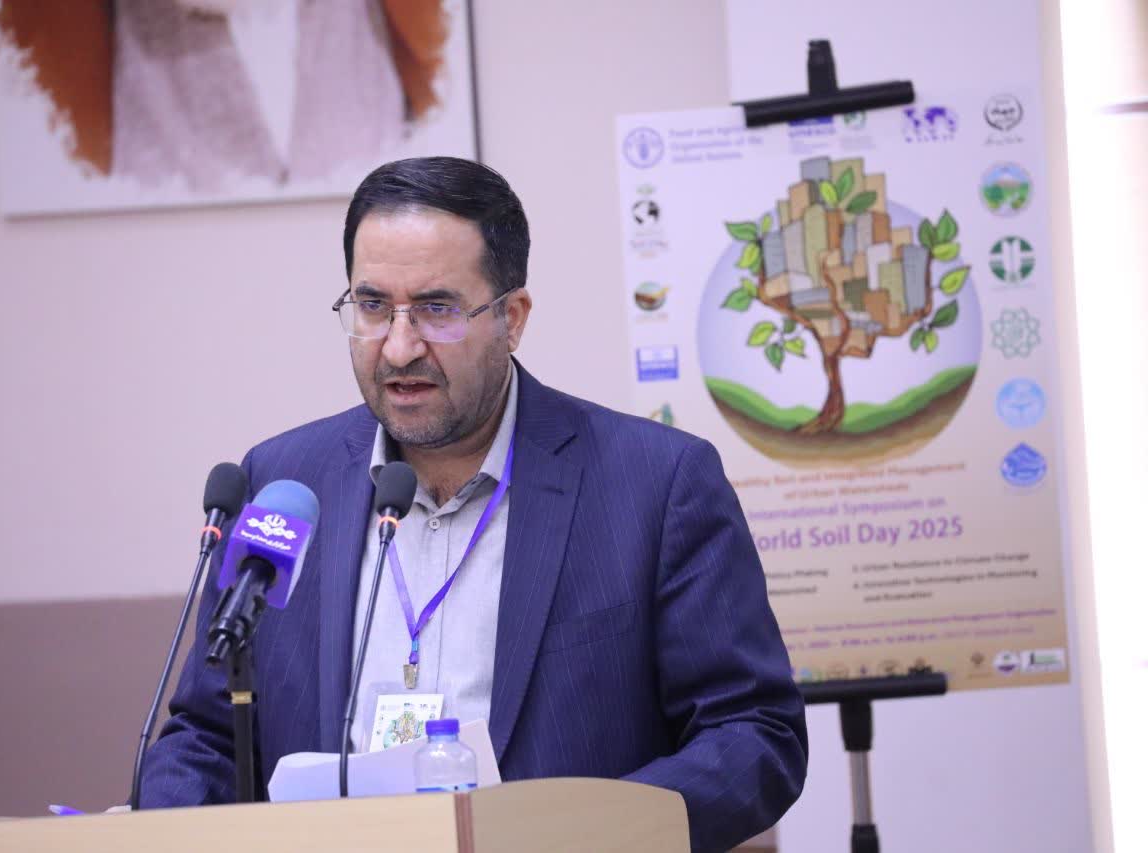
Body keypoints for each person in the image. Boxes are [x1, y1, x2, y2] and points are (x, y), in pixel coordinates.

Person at [139, 156, 808, 851]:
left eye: (438, 309)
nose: (400, 347)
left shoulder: (655, 484)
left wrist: (589, 835)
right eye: (373, 306)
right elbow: (209, 736)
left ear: (512, 319)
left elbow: (754, 734)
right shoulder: (284, 484)